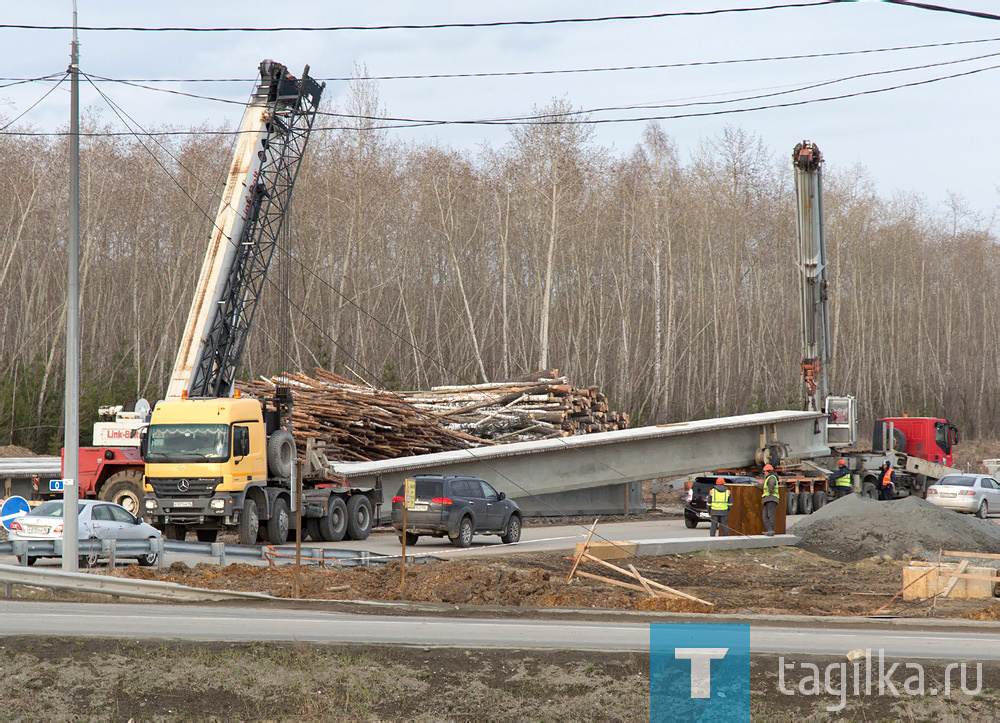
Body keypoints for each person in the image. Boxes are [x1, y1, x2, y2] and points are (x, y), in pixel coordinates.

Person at [760, 464, 780, 536]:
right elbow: (762, 487)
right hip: (767, 499)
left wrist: (770, 491)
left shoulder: (771, 478)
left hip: (771, 498)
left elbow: (771, 485)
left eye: (765, 471)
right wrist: (755, 484)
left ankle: (771, 530)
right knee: (764, 516)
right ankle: (769, 530)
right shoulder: (768, 478)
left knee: (770, 515)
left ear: (769, 471)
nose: (764, 473)